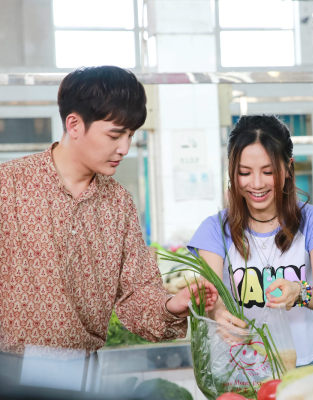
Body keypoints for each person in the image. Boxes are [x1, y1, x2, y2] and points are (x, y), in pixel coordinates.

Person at [0, 66, 217, 383]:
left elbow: (137, 295)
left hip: (83, 371)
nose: (125, 149)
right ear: (74, 124)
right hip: (7, 366)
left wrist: (173, 304)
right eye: (115, 135)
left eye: (130, 135)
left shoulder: (118, 204)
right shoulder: (10, 185)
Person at [188, 115, 313, 368]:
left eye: (268, 171)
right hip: (242, 371)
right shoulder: (214, 229)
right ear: (232, 171)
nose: (257, 184)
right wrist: (217, 312)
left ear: (287, 168)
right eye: (244, 173)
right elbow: (211, 296)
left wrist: (299, 291)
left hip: (306, 365)